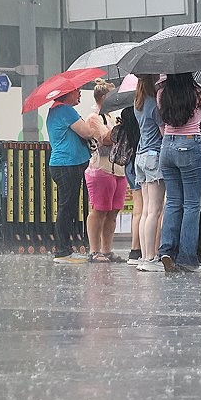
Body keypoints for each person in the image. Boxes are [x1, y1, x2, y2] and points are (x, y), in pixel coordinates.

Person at [157, 70, 201, 272]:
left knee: (173, 203)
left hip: (167, 146)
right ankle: (187, 258)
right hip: (190, 144)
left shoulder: (162, 93)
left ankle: (167, 251)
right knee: (192, 205)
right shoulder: (196, 91)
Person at [46, 88, 105, 263]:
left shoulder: (57, 110)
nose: (79, 94)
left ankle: (65, 249)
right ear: (67, 93)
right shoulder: (64, 110)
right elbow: (86, 132)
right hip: (66, 165)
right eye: (77, 91)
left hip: (65, 165)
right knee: (66, 208)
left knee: (68, 207)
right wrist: (94, 129)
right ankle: (63, 251)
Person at [84, 79, 129, 263]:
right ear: (103, 97)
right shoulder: (93, 117)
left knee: (113, 212)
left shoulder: (110, 116)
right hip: (100, 169)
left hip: (117, 169)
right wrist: (122, 128)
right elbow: (105, 139)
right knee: (98, 211)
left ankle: (107, 249)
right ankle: (94, 251)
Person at [133, 74, 165, 272]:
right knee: (155, 210)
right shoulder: (154, 105)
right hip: (154, 156)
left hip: (141, 155)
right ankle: (151, 257)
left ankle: (145, 256)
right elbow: (164, 132)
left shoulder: (139, 104)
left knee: (146, 211)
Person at [115, 105, 143, 265]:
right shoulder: (144, 110)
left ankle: (134, 249)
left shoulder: (126, 112)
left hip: (129, 164)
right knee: (148, 210)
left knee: (137, 210)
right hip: (142, 160)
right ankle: (143, 249)